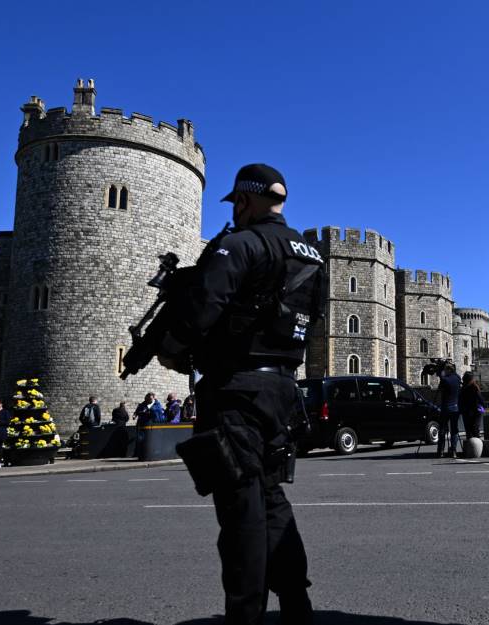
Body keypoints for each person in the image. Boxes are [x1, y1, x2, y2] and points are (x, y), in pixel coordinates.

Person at [157, 163, 322, 625]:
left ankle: (244, 618)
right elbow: (314, 321)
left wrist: (172, 349)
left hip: (237, 391)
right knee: (270, 500)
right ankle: (297, 607)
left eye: (237, 203)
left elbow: (203, 309)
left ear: (245, 201)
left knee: (240, 511)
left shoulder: (240, 243)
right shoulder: (312, 254)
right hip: (282, 390)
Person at [435, 363, 462, 458]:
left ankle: (441, 451)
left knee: (442, 430)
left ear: (449, 370)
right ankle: (454, 451)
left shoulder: (444, 380)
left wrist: (441, 376)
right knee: (454, 430)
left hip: (446, 408)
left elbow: (440, 391)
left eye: (446, 370)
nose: (444, 372)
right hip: (455, 408)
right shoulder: (458, 378)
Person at [459, 371, 486, 439]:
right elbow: (481, 400)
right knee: (475, 429)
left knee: (469, 430)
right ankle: (477, 445)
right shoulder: (474, 387)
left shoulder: (463, 389)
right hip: (475, 410)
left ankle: (471, 446)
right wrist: (483, 407)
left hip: (468, 411)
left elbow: (461, 401)